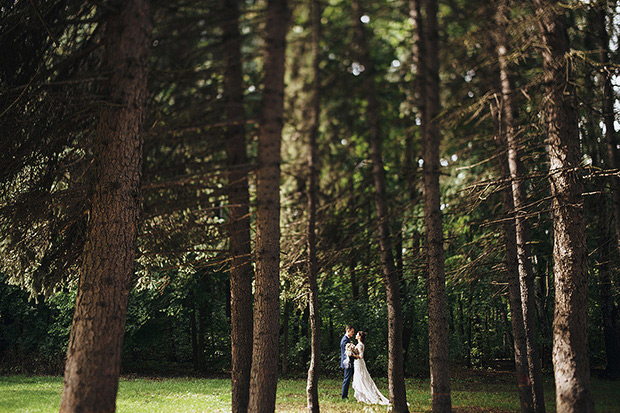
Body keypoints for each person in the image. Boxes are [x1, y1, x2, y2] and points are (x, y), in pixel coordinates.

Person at [351, 331, 389, 405]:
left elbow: (361, 356)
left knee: (361, 378)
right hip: (357, 363)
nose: (355, 335)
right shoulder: (359, 344)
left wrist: (352, 355)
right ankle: (360, 397)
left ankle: (365, 396)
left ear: (359, 337)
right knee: (358, 378)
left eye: (357, 335)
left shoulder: (360, 345)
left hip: (359, 363)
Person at [340, 325, 355, 398]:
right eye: (352, 332)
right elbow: (347, 353)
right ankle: (344, 396)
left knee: (349, 379)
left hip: (349, 362)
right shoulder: (345, 340)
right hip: (347, 362)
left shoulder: (347, 339)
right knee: (347, 379)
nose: (353, 333)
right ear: (348, 331)